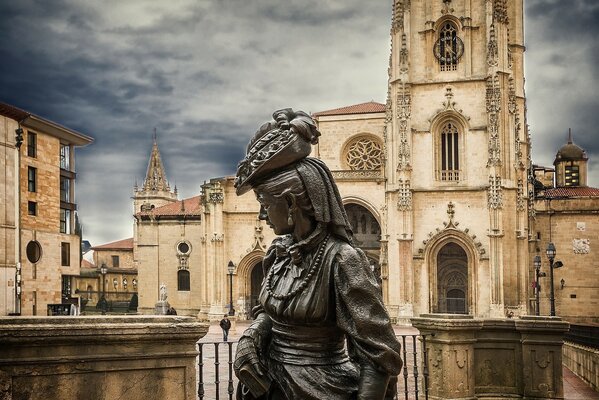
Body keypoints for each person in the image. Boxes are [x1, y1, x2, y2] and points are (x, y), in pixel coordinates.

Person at [233, 109, 402, 400]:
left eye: (264, 203)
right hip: (268, 388)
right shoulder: (277, 253)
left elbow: (379, 356)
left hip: (322, 389)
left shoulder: (343, 260)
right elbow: (271, 314)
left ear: (290, 202)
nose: (261, 214)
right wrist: (253, 335)